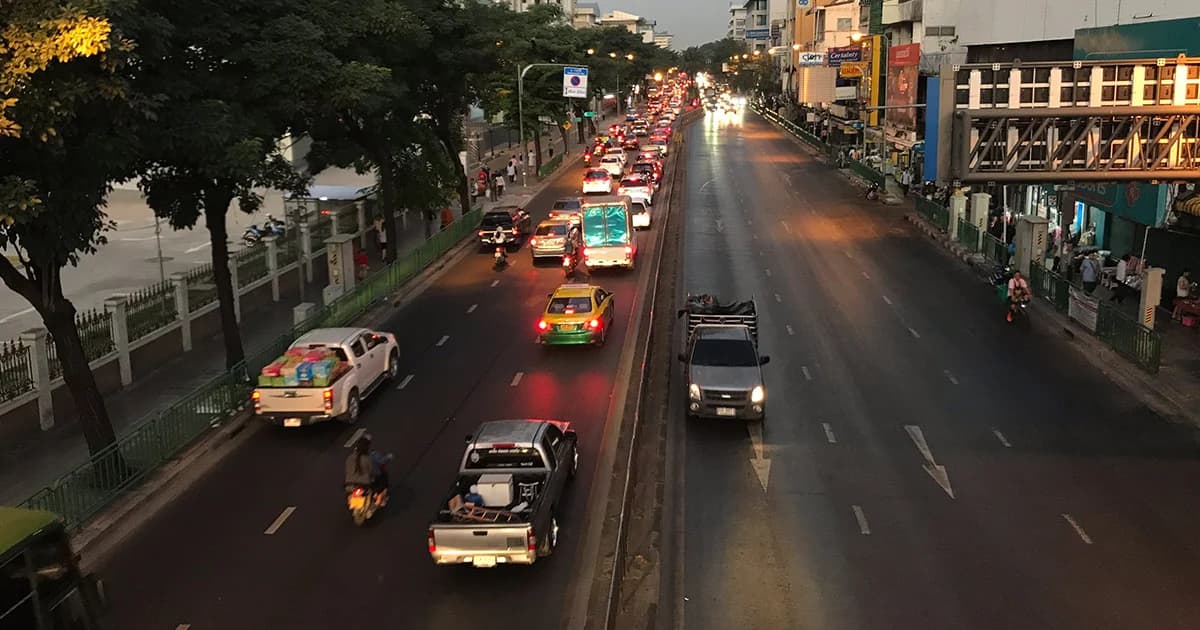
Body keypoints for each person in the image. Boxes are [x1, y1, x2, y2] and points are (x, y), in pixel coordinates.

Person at [344, 434, 392, 503]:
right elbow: (374, 472)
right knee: (382, 478)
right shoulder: (367, 459)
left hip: (348, 486)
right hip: (364, 486)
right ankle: (378, 498)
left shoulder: (349, 458)